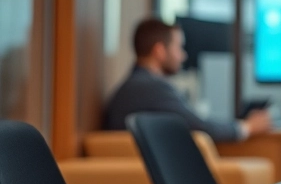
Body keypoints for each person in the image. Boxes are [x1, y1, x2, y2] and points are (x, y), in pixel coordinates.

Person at [104, 18, 271, 143]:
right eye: (179, 47)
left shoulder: (134, 87)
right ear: (160, 51)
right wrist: (248, 127)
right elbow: (202, 129)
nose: (183, 56)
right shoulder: (152, 88)